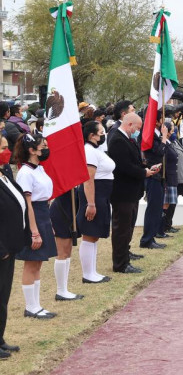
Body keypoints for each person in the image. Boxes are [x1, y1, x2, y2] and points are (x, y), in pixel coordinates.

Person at [14, 133, 58, 318]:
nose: (46, 149)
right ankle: (30, 307)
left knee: (38, 262)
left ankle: (36, 305)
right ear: (32, 150)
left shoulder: (39, 169)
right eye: (43, 147)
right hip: (33, 217)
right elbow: (27, 204)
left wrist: (49, 223)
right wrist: (34, 231)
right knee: (31, 263)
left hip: (43, 214)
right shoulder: (25, 172)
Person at [108, 113, 157, 274]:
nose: (137, 131)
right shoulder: (117, 139)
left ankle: (125, 255)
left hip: (132, 191)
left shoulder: (127, 139)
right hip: (122, 191)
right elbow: (124, 166)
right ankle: (120, 263)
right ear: (129, 124)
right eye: (137, 128)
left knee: (128, 227)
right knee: (122, 228)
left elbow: (133, 161)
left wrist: (146, 166)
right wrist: (144, 173)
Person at [76, 120, 115, 284]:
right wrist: (91, 204)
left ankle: (92, 271)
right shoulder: (89, 151)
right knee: (90, 234)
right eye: (101, 133)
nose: (103, 135)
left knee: (95, 235)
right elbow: (88, 180)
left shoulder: (96, 150)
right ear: (91, 135)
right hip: (94, 195)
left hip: (102, 195)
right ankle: (87, 274)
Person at [0, 135, 28, 357]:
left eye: (7, 147)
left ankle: (0, 338)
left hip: (10, 246)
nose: (6, 151)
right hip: (1, 248)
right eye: (2, 148)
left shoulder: (5, 173)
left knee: (3, 296)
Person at [140, 115, 169, 250]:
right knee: (153, 208)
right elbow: (159, 152)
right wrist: (164, 137)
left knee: (157, 208)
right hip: (153, 175)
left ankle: (152, 236)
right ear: (156, 121)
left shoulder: (155, 134)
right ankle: (147, 239)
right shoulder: (150, 135)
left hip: (160, 175)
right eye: (161, 119)